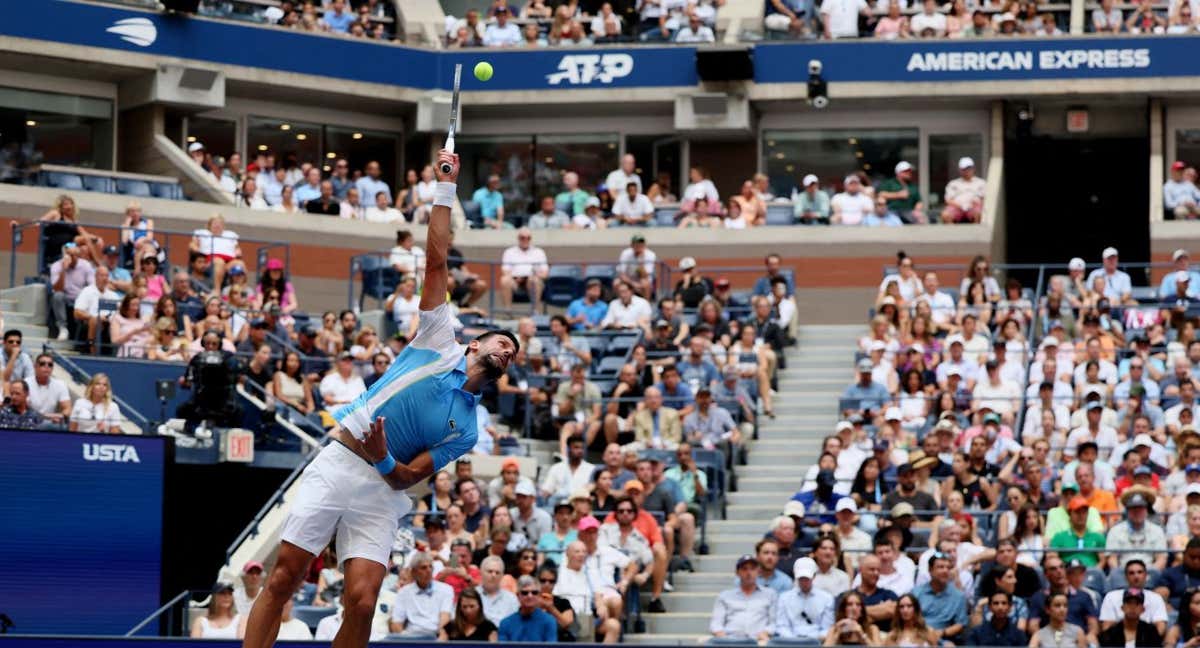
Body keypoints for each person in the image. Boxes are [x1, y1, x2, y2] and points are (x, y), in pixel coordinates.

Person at [242, 151, 518, 648]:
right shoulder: (438, 339)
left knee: (365, 602)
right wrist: (444, 190)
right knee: (283, 578)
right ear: (475, 342)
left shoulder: (469, 428)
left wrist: (384, 455)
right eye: (503, 342)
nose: (508, 352)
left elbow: (411, 475)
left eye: (514, 353)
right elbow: (435, 260)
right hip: (340, 462)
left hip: (381, 490)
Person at [711, 553, 777, 643]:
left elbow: (774, 622)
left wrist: (766, 633)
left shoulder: (770, 594)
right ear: (737, 572)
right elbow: (716, 624)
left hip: (759, 641)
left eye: (752, 569)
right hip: (730, 641)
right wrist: (724, 639)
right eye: (744, 569)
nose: (749, 573)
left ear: (759, 572)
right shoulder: (725, 596)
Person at [388, 553, 455, 638]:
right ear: (413, 572)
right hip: (410, 637)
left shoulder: (446, 589)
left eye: (431, 567)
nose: (428, 570)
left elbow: (445, 619)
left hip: (434, 636)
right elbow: (396, 622)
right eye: (424, 568)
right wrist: (404, 642)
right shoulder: (404, 592)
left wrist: (439, 642)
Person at [912, 553, 969, 643]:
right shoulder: (916, 593)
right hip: (917, 635)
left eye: (948, 568)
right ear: (930, 570)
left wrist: (941, 633)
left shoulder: (958, 596)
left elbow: (960, 624)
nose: (945, 571)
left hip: (944, 638)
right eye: (940, 567)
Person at [497, 575, 558, 642]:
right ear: (518, 595)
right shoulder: (505, 624)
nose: (530, 596)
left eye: (534, 592)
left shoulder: (549, 621)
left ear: (539, 595)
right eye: (525, 593)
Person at [1097, 588, 1163, 647]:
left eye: (1137, 603)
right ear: (1122, 608)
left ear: (1143, 609)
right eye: (1129, 603)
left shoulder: (1151, 632)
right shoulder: (1110, 633)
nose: (1132, 607)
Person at [24, 353, 71, 424]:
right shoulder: (26, 383)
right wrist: (46, 416)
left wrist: (60, 416)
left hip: (51, 422)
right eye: (42, 364)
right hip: (29, 420)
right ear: (35, 366)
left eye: (50, 365)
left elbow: (68, 409)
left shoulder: (60, 384)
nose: (46, 366)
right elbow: (24, 408)